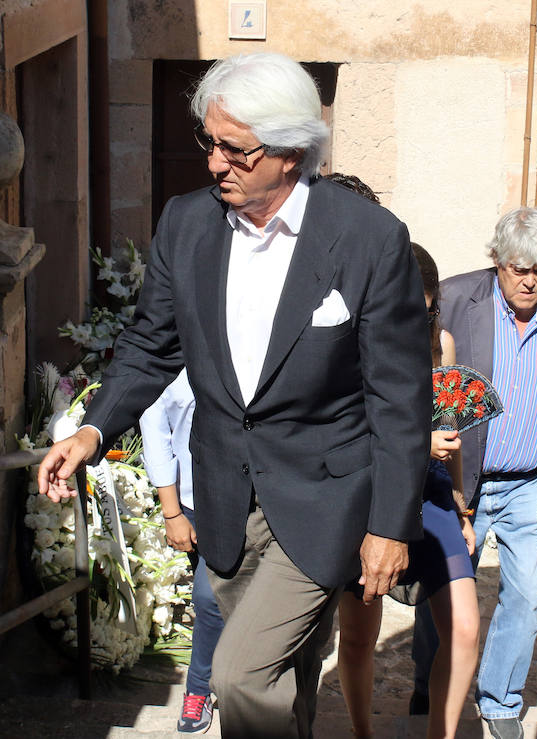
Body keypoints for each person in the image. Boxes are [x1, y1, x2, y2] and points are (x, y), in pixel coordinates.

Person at [37, 52, 432, 738]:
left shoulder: (368, 238)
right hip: (222, 495)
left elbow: (401, 396)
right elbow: (149, 346)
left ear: (291, 151)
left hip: (324, 499)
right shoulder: (186, 225)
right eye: (209, 142)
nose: (215, 163)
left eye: (235, 149)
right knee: (287, 687)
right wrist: (92, 431)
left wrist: (391, 525)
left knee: (239, 677)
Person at [411, 207, 537, 739]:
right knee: (442, 592)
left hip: (527, 483)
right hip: (466, 481)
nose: (529, 280)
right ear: (496, 262)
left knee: (527, 597)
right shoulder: (458, 300)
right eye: (518, 267)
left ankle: (500, 701)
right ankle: (429, 685)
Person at [331, 200, 479, 737]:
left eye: (426, 309)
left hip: (434, 494)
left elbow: (453, 433)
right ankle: (362, 732)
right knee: (358, 636)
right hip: (370, 493)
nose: (414, 321)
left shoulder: (442, 344)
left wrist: (461, 502)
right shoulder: (351, 345)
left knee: (464, 630)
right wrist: (419, 447)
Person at [140, 369, 224, 734]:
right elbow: (156, 430)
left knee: (208, 597)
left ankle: (200, 686)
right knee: (217, 600)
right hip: (191, 501)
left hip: (252, 497)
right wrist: (172, 512)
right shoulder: (166, 357)